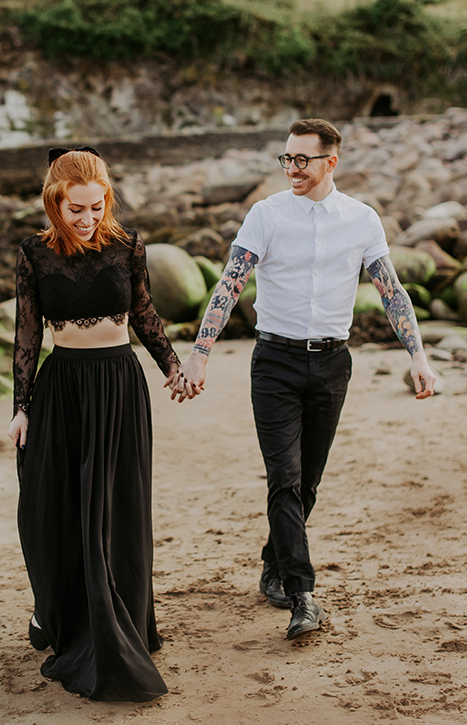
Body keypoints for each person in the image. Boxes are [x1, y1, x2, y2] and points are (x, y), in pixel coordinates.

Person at [171, 118, 436, 641]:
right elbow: (230, 283)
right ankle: (302, 593)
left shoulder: (361, 219)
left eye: (302, 160)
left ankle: (274, 561)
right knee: (284, 479)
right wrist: (199, 354)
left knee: (306, 483)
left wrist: (419, 355)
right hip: (275, 363)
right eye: (286, 159)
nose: (291, 168)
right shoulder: (265, 216)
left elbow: (391, 290)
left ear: (330, 162)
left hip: (333, 365)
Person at [7, 145, 179, 702]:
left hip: (120, 386)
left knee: (117, 506)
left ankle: (125, 618)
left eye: (96, 207)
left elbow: (146, 314)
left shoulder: (129, 247)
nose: (87, 220)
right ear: (55, 202)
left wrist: (173, 365)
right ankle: (57, 615)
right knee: (51, 508)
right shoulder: (33, 254)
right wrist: (21, 407)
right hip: (63, 391)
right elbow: (27, 336)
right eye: (75, 209)